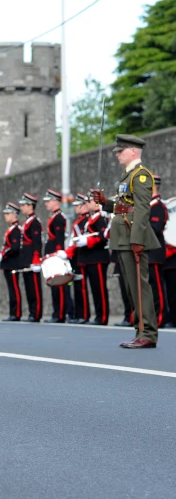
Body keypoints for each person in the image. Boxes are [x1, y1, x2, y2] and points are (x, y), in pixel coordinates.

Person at [92, 134, 160, 348]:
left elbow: (142, 209)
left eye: (120, 151)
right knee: (132, 287)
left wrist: (137, 239)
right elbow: (124, 207)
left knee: (140, 286)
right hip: (124, 235)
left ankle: (147, 333)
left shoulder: (140, 176)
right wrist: (106, 203)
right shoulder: (127, 175)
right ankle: (140, 330)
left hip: (132, 235)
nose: (117, 155)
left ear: (133, 151)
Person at [73, 195, 110, 325]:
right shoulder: (90, 219)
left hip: (98, 257)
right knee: (94, 289)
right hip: (89, 258)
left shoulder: (101, 218)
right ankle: (97, 316)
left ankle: (102, 316)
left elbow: (103, 236)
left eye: (90, 202)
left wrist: (88, 240)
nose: (87, 204)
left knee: (99, 288)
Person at [60, 194, 91, 323]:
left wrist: (69, 251)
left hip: (82, 257)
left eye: (78, 205)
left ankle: (84, 315)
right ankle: (79, 314)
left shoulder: (86, 222)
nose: (76, 208)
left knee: (82, 289)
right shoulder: (78, 222)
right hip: (76, 258)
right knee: (77, 288)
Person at [42, 189, 70, 323]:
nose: (46, 204)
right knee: (54, 286)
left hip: (56, 256)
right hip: (52, 255)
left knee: (59, 286)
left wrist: (58, 253)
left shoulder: (58, 218)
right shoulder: (54, 217)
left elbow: (59, 238)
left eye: (48, 201)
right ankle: (57, 313)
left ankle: (60, 315)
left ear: (55, 202)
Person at [148, 175, 169, 327]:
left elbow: (155, 228)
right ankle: (152, 316)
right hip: (147, 252)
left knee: (157, 288)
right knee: (149, 288)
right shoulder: (148, 206)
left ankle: (160, 317)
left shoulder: (158, 207)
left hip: (155, 252)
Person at [19, 193, 43, 322]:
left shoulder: (34, 222)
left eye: (24, 205)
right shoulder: (27, 221)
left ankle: (36, 313)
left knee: (34, 288)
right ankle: (31, 312)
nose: (21, 207)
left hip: (32, 260)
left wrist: (36, 260)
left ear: (30, 206)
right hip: (26, 260)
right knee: (29, 287)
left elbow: (36, 242)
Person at [0, 202, 22, 321]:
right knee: (11, 289)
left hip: (12, 263)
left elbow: (15, 247)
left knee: (14, 289)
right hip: (8, 264)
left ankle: (16, 313)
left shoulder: (16, 230)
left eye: (8, 214)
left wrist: (4, 254)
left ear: (14, 214)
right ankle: (13, 312)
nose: (5, 216)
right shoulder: (11, 229)